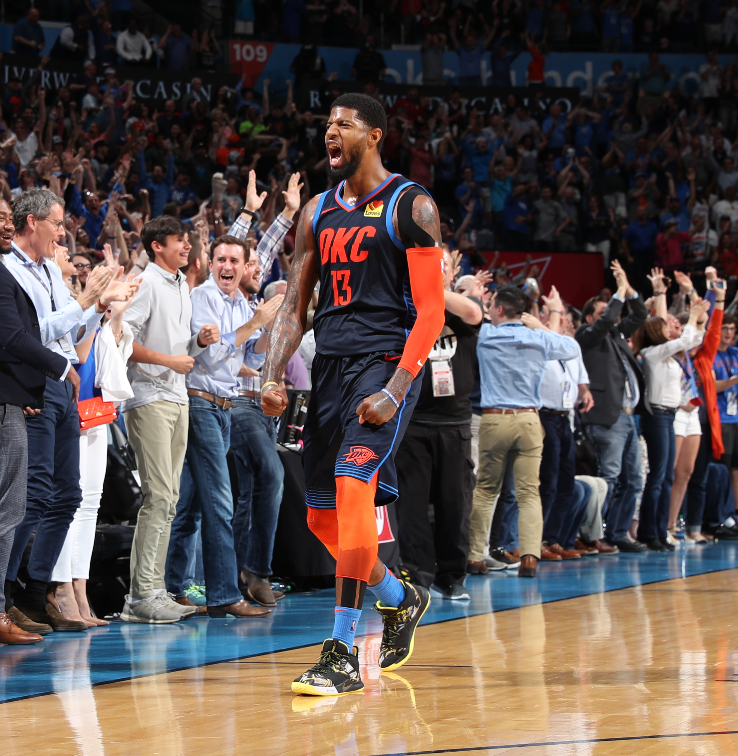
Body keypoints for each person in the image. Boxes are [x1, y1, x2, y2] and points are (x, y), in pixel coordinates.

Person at [260, 93, 446, 695]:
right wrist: (271, 372)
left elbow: (432, 312)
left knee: (353, 489)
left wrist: (396, 388)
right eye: (326, 126)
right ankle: (399, 596)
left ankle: (340, 651)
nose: (329, 135)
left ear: (375, 136)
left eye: (343, 126)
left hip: (386, 365)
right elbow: (294, 303)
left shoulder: (410, 205)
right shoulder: (316, 209)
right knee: (320, 516)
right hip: (332, 369)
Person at [4, 189, 135, 631]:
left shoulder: (48, 272)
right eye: (57, 224)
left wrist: (99, 306)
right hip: (33, 381)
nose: (63, 232)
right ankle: (13, 591)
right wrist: (85, 305)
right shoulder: (10, 272)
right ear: (31, 223)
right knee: (35, 494)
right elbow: (33, 332)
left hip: (64, 382)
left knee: (69, 494)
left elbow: (72, 327)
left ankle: (40, 593)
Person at [120, 216, 220, 624]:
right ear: (157, 246)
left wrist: (196, 343)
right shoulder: (144, 283)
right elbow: (121, 339)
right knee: (158, 498)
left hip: (176, 397)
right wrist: (170, 360)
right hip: (149, 398)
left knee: (169, 500)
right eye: (180, 241)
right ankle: (141, 595)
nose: (187, 247)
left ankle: (155, 590)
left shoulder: (180, 285)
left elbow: (174, 345)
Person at [168, 234, 274, 619]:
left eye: (234, 260)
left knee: (193, 505)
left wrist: (265, 329)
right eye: (220, 259)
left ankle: (174, 588)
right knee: (220, 504)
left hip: (224, 407)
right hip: (200, 403)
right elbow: (212, 352)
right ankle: (224, 595)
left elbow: (253, 361)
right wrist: (255, 323)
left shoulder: (243, 302)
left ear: (245, 266)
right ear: (210, 263)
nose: (227, 266)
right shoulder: (204, 298)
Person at [0, 198, 77, 644]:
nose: (7, 228)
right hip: (25, 390)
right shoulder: (9, 272)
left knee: (56, 495)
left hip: (31, 389)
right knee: (16, 505)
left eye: (10, 219)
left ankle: (26, 597)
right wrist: (53, 369)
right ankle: (8, 599)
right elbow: (14, 337)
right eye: (1, 221)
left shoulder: (41, 271)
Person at [468, 285, 579, 579]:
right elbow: (573, 349)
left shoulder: (486, 334)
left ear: (500, 310)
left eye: (491, 306)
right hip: (529, 420)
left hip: (494, 419)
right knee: (529, 493)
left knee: (486, 490)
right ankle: (529, 557)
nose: (488, 310)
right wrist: (543, 324)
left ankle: (475, 556)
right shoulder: (538, 336)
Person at [48, 268, 140, 626]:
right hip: (71, 408)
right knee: (67, 505)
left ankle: (80, 588)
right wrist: (98, 306)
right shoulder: (68, 306)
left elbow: (115, 359)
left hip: (97, 411)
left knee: (89, 506)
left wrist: (114, 314)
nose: (72, 258)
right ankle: (61, 589)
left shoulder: (87, 305)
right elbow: (80, 355)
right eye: (65, 250)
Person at [394, 249, 483, 598]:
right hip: (414, 420)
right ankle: (417, 575)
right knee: (412, 504)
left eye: (440, 265)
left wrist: (433, 285)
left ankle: (453, 576)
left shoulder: (458, 307)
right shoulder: (404, 305)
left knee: (455, 504)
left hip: (455, 422)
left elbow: (474, 312)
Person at [575, 261, 648, 553]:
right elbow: (606, 321)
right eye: (604, 312)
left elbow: (640, 314)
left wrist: (628, 290)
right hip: (607, 417)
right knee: (611, 477)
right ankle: (594, 534)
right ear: (591, 318)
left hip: (629, 417)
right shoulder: (586, 335)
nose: (611, 316)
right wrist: (617, 295)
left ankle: (618, 533)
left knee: (634, 480)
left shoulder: (615, 334)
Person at [634, 298, 707, 551]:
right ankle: (649, 532)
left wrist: (699, 319)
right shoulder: (652, 353)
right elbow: (685, 340)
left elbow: (694, 340)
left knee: (665, 477)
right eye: (665, 328)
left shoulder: (667, 356)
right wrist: (693, 316)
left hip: (669, 416)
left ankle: (659, 530)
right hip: (656, 417)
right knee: (658, 477)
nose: (669, 330)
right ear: (655, 331)